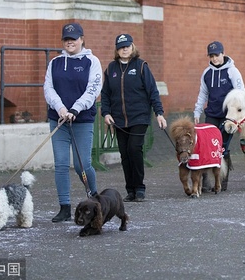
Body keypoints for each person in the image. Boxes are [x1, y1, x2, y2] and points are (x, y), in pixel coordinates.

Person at [44, 22, 102, 222]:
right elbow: (48, 88)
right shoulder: (55, 63)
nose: (70, 42)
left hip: (82, 120)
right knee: (60, 164)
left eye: (74, 38)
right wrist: (60, 108)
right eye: (67, 39)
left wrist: (76, 108)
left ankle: (94, 197)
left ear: (82, 39)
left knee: (82, 164)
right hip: (58, 121)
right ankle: (64, 206)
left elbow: (93, 89)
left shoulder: (91, 61)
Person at [101, 34, 167, 202]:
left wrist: (159, 113)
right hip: (119, 120)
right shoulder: (111, 69)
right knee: (124, 154)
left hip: (139, 117)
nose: (124, 49)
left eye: (127, 46)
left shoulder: (141, 66)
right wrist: (106, 113)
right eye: (121, 46)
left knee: (134, 149)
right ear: (117, 49)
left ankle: (139, 188)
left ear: (132, 47)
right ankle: (130, 190)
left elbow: (153, 91)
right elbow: (106, 94)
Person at [194, 41, 245, 191]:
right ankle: (206, 183)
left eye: (217, 55)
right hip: (211, 115)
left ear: (223, 54)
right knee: (206, 147)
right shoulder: (207, 73)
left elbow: (240, 92)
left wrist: (238, 116)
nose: (214, 58)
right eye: (211, 56)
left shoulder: (232, 71)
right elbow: (203, 93)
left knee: (223, 148)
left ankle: (222, 182)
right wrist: (197, 111)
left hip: (227, 117)